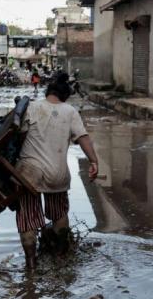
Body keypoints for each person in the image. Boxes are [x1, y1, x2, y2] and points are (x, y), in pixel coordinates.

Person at [15, 73, 99, 269]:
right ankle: (61, 258)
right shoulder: (70, 111)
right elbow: (83, 138)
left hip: (29, 172)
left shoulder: (32, 107)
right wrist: (94, 161)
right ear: (65, 96)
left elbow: (15, 135)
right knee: (59, 213)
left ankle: (31, 262)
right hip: (57, 174)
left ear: (48, 92)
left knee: (27, 217)